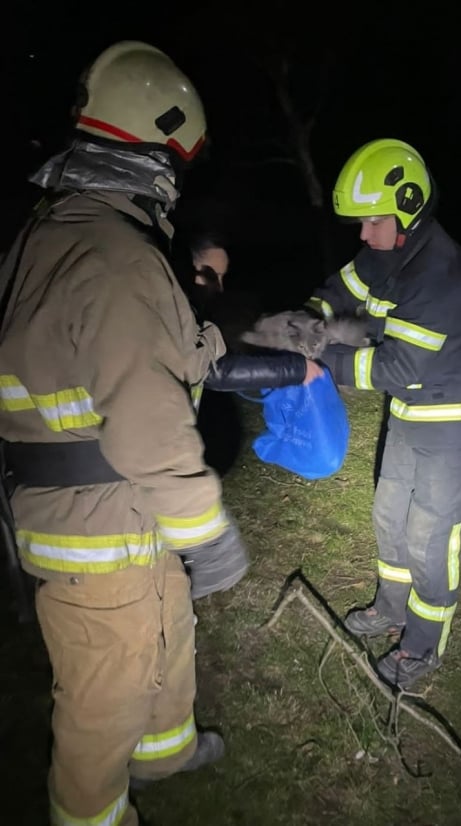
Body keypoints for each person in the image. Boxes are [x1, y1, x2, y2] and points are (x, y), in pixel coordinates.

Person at [0, 40, 320, 826]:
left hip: (105, 519)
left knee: (168, 630)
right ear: (157, 154)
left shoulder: (60, 237)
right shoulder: (115, 259)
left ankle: (167, 753)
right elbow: (148, 424)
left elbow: (153, 354)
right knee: (103, 699)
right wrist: (207, 531)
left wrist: (212, 346)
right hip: (102, 533)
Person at [306, 138, 461, 690]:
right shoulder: (386, 252)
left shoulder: (441, 273)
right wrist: (308, 319)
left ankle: (422, 645)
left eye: (372, 222)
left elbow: (394, 369)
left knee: (430, 535)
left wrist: (323, 357)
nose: (363, 235)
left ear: (409, 207)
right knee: (390, 514)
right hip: (416, 408)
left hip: (458, 418)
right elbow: (338, 292)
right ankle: (391, 608)